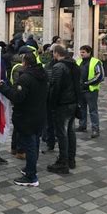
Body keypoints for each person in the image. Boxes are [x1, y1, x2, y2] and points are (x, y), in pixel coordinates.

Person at [0, 53, 48, 186]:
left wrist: (2, 87)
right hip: (39, 114)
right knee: (34, 142)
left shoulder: (25, 78)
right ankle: (30, 169)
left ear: (24, 63)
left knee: (30, 145)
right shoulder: (42, 74)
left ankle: (31, 177)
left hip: (27, 116)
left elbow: (17, 97)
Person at [47, 45, 80, 174]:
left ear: (56, 53)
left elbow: (55, 88)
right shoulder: (73, 64)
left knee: (61, 133)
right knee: (70, 131)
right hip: (72, 102)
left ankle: (63, 162)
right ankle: (71, 159)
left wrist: (52, 104)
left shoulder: (58, 67)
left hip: (63, 104)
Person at [76, 45, 104, 138]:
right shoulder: (78, 61)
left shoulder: (96, 62)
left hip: (91, 90)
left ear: (89, 52)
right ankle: (82, 125)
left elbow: (99, 76)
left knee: (93, 110)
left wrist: (87, 83)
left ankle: (95, 129)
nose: (81, 54)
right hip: (81, 90)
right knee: (82, 109)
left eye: (83, 52)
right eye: (81, 52)